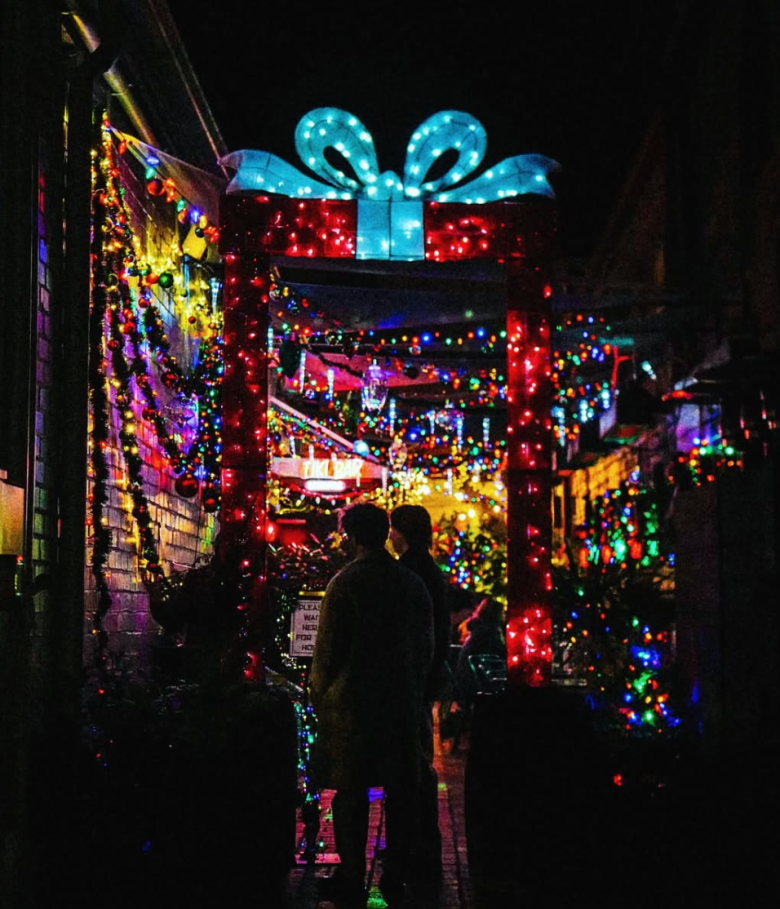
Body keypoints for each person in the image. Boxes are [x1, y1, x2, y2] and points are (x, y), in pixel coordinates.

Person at [311, 503, 434, 908]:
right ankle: (395, 873)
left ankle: (351, 875)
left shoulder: (345, 583)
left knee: (350, 792)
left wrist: (320, 695)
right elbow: (425, 646)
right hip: (399, 702)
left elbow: (328, 651)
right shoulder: (411, 584)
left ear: (353, 536)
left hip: (353, 705)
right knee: (401, 791)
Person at [389, 504, 450, 890]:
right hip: (425, 680)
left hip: (412, 683)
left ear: (404, 532)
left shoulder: (409, 573)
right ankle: (423, 847)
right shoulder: (430, 570)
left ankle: (419, 848)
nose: (390, 536)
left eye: (394, 529)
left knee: (413, 767)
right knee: (418, 765)